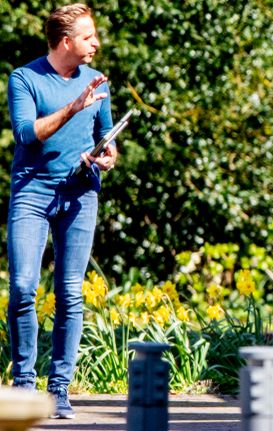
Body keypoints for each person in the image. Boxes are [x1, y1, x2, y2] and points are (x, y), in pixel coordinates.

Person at [6, 3, 118, 419]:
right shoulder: (24, 78)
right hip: (32, 194)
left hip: (80, 194)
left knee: (70, 292)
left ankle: (59, 390)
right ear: (66, 41)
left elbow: (105, 134)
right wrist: (73, 107)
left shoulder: (97, 80)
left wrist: (108, 155)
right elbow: (25, 134)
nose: (96, 43)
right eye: (89, 36)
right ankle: (23, 386)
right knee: (22, 287)